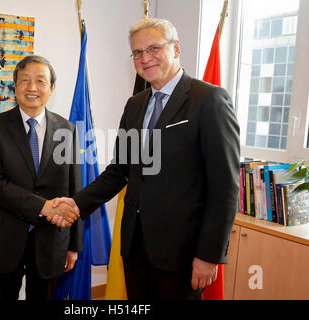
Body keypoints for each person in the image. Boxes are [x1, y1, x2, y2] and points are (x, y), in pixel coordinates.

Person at [50, 18, 240, 300]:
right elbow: (119, 171)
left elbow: (225, 186)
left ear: (175, 48)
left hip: (182, 253)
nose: (145, 58)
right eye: (137, 52)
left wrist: (209, 254)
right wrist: (75, 203)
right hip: (135, 246)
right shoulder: (136, 104)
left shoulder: (209, 99)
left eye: (153, 48)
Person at [0, 55, 82, 300]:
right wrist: (42, 207)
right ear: (15, 86)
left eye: (40, 81)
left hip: (51, 241)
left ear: (52, 88)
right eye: (24, 80)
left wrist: (73, 244)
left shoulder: (67, 129)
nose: (32, 88)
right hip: (5, 240)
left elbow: (73, 190)